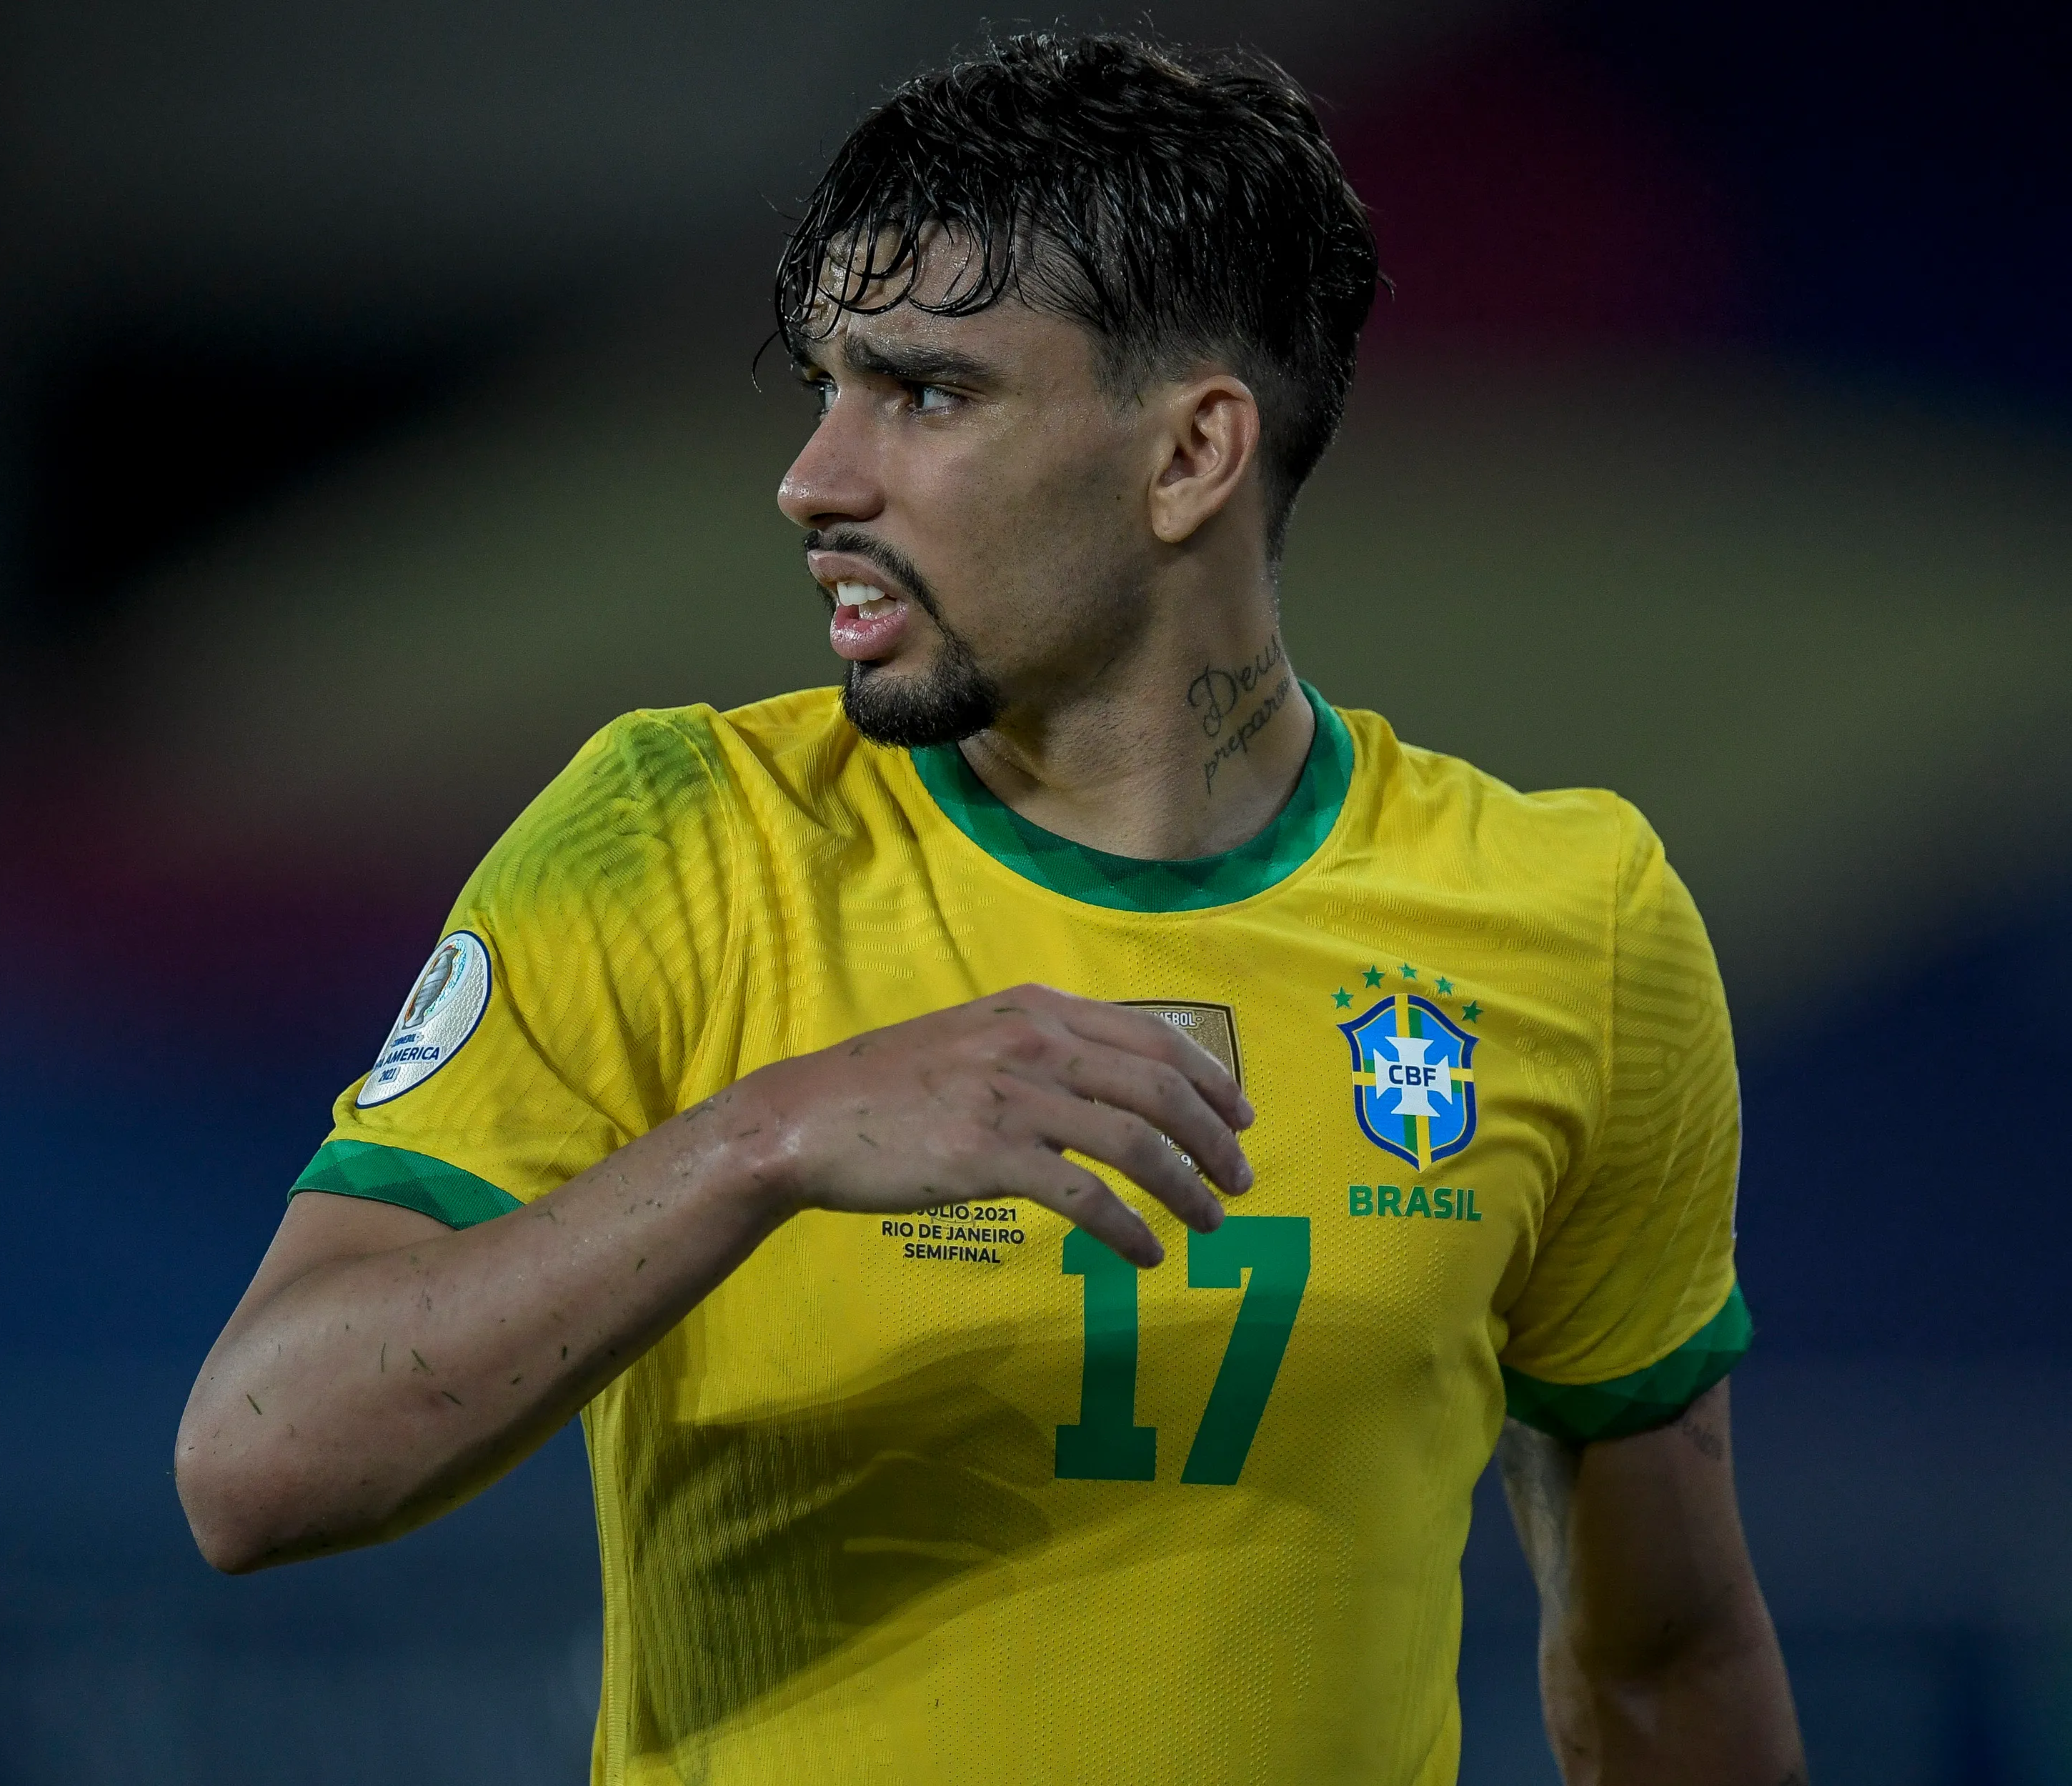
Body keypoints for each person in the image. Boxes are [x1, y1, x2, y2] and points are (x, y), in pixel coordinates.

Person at [175, 32, 1805, 1785]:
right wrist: (767, 1137)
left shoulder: (1573, 920)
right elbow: (258, 1461)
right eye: (823, 387)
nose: (815, 479)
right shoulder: (675, 840)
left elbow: (1663, 1656)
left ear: (1190, 455)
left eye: (926, 395)